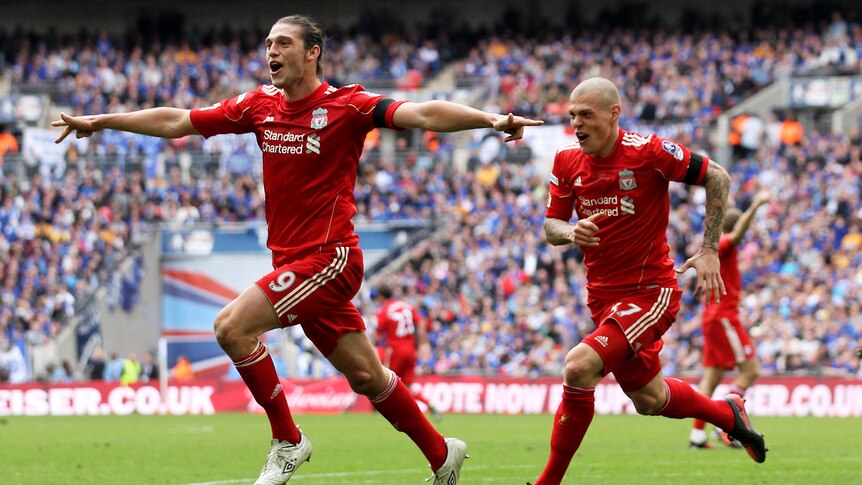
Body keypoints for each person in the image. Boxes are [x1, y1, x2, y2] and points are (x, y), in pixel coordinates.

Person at [53, 14, 541, 485]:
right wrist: (103, 121)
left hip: (331, 259)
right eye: (268, 44)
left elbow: (423, 113)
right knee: (369, 377)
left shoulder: (348, 105)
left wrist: (492, 119)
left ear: (313, 53)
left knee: (230, 326)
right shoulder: (258, 106)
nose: (271, 51)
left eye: (282, 43)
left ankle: (288, 440)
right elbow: (180, 120)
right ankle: (442, 454)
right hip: (295, 264)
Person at [529, 77, 766, 485]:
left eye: (586, 115)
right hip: (602, 297)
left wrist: (710, 249)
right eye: (572, 116)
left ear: (614, 114)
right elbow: (551, 225)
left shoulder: (649, 151)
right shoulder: (566, 160)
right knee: (650, 400)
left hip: (650, 292)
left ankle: (547, 482)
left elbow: (718, 177)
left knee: (579, 366)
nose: (577, 124)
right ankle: (726, 412)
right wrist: (571, 232)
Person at [689, 191, 770, 449]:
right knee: (751, 369)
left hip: (712, 316)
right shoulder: (724, 243)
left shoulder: (718, 246)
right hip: (723, 317)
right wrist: (755, 204)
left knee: (712, 378)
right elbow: (736, 235)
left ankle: (697, 436)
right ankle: (725, 422)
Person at [374, 284, 439, 420]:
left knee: (388, 383)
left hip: (395, 349)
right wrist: (422, 343)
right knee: (407, 385)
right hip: (411, 349)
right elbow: (421, 322)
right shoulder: (406, 306)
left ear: (380, 297)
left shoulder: (384, 311)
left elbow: (378, 335)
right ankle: (428, 403)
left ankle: (393, 413)